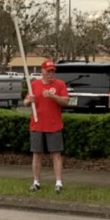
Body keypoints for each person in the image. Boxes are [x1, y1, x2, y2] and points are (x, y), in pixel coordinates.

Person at [24, 59, 70, 193]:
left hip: (54, 125)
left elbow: (66, 101)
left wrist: (52, 96)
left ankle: (59, 183)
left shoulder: (60, 84)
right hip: (37, 124)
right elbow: (26, 100)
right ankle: (36, 182)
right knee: (37, 154)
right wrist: (28, 101)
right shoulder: (34, 84)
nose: (51, 74)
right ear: (42, 71)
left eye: (53, 71)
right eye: (48, 71)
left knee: (56, 154)